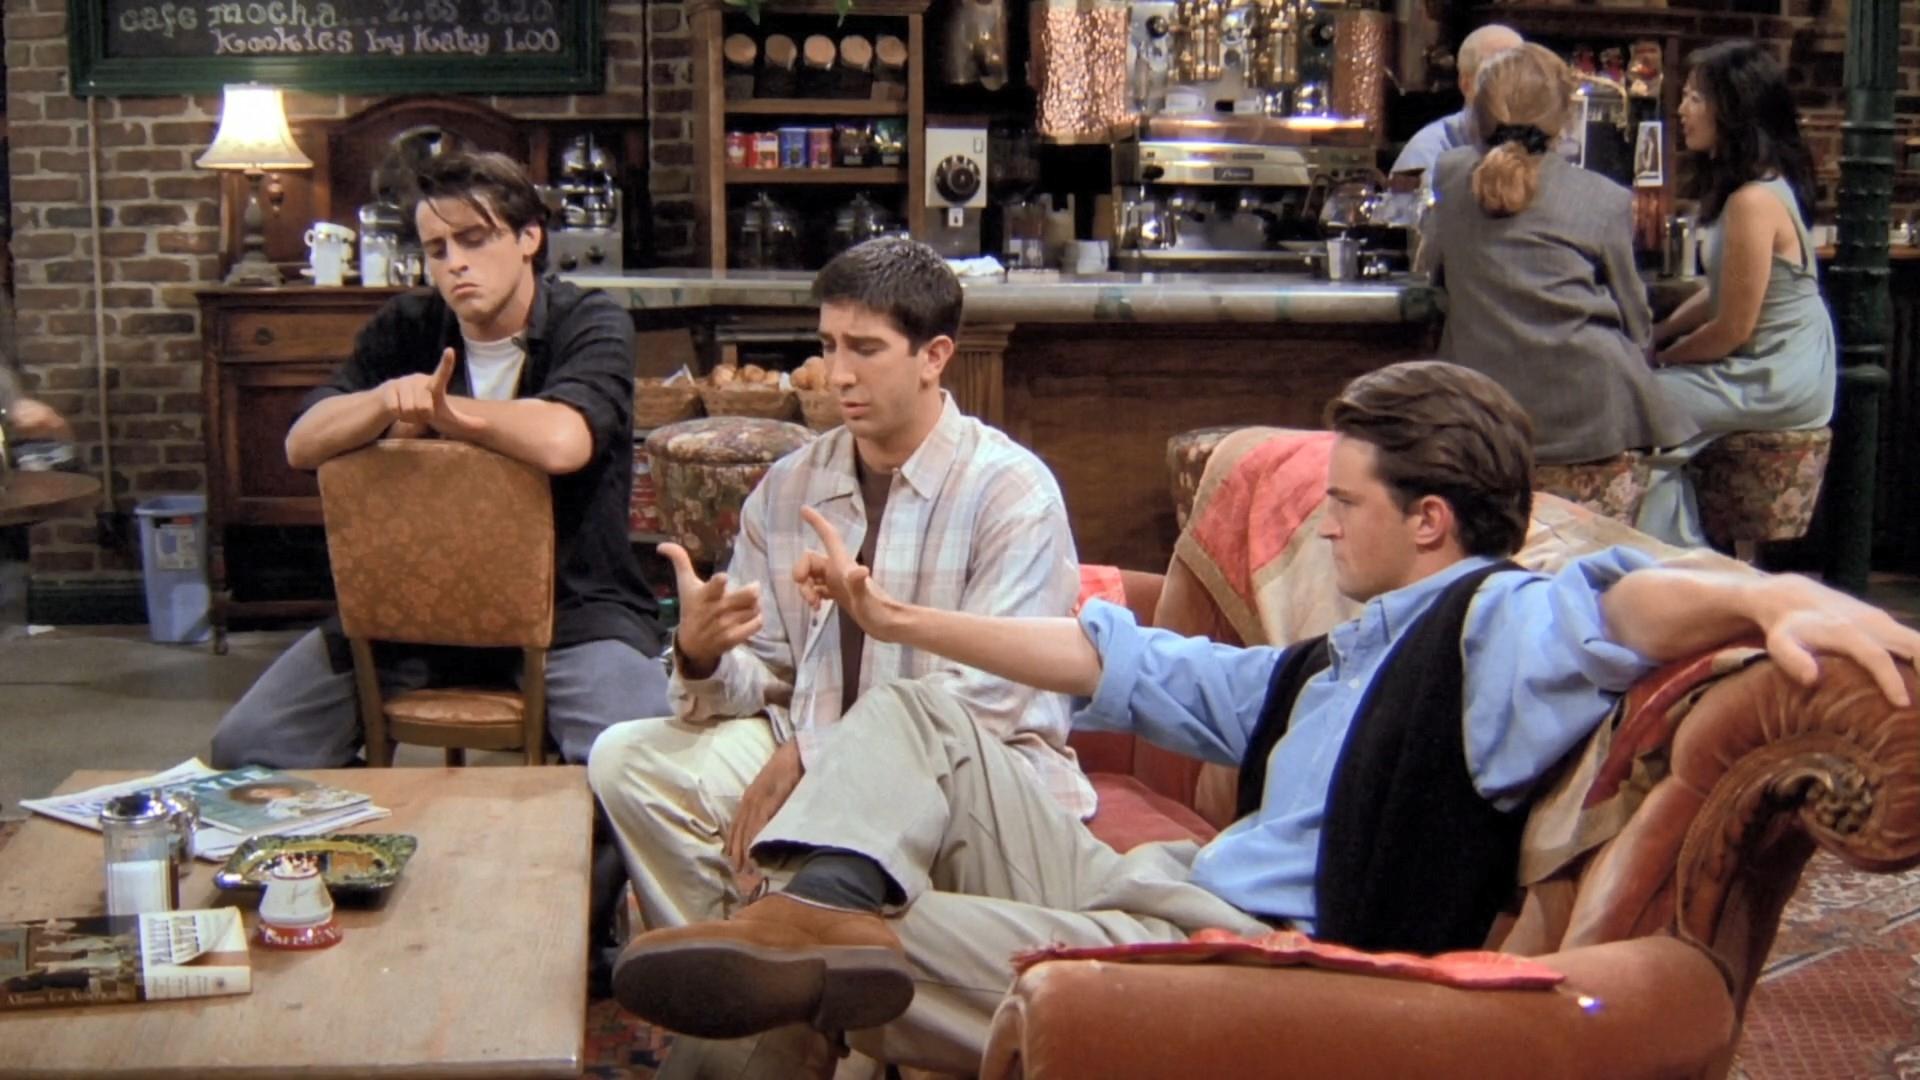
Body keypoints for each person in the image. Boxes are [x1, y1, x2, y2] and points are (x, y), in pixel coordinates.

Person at [608, 360, 1918, 1075]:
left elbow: (1621, 603)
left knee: (872, 953)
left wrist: (1773, 593)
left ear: (1430, 521)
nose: (1322, 525)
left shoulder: (1489, 628)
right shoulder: (1334, 659)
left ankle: (795, 953)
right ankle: (807, 910)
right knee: (925, 715)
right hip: (1148, 884)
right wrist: (900, 620)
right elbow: (1123, 664)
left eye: (1345, 503)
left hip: (1236, 950)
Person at [586, 237, 1086, 1070]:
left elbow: (989, 698)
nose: (837, 374)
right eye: (827, 345)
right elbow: (767, 675)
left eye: (865, 349)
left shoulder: (1011, 491)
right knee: (628, 759)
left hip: (975, 777)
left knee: (840, 804)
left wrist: (816, 753)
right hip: (810, 744)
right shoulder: (791, 485)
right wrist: (702, 655)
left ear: (934, 357)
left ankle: (803, 1013)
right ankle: (746, 985)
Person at [211, 150, 669, 768]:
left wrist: (448, 416)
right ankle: (383, 825)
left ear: (529, 237)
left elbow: (565, 440)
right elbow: (303, 442)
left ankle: (562, 831)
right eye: (437, 248)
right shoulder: (408, 325)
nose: (455, 263)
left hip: (572, 611)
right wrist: (382, 402)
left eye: (474, 240)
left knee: (641, 763)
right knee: (245, 747)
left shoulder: (588, 321)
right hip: (409, 616)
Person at [1420, 44, 1697, 464]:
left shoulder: (1450, 175)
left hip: (1482, 422)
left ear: (1477, 113)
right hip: (1592, 424)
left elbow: (1435, 272)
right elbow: (1636, 322)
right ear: (1566, 118)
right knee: (1669, 474)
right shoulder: (1605, 199)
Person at [1638, 41, 1836, 547]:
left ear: (1733, 110)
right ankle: (1674, 547)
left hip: (1776, 373)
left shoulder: (1753, 201)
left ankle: (1674, 558)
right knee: (1645, 398)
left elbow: (1732, 328)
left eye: (1695, 98)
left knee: (1639, 402)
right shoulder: (1750, 190)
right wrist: (1659, 332)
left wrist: (1660, 358)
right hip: (1766, 364)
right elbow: (1720, 292)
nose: (1682, 110)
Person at [1390, 23, 1524, 177]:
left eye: (1519, 74)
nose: (1512, 86)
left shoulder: (1539, 143)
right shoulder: (1427, 151)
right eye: (1495, 76)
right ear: (1466, 85)